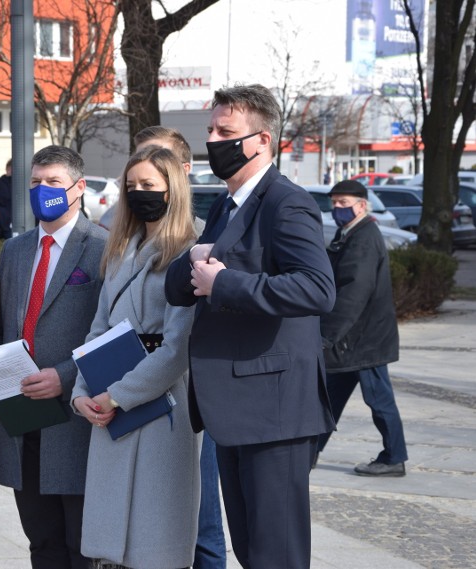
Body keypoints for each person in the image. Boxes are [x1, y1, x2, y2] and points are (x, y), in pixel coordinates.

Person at [165, 84, 336, 569]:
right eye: (212, 130)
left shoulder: (287, 202)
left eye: (227, 131)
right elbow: (187, 279)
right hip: (232, 412)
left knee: (274, 555)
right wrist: (191, 267)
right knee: (251, 552)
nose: (214, 140)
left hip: (274, 412)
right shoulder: (225, 204)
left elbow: (317, 289)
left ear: (262, 140)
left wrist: (226, 285)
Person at [0, 145, 108, 569]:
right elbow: (0, 327)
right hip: (21, 413)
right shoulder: (15, 250)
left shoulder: (103, 247)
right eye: (35, 182)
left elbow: (116, 336)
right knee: (41, 542)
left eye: (53, 182)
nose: (42, 190)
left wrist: (66, 376)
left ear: (79, 188)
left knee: (82, 545)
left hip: (76, 416)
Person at [72, 146, 201, 568]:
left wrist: (118, 395)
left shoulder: (189, 250)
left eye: (149, 185)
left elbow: (177, 347)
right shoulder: (120, 247)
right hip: (108, 402)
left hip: (159, 406)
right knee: (111, 548)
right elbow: (97, 329)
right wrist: (82, 392)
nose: (138, 192)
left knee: (154, 541)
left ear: (173, 188)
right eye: (131, 186)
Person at [133, 126, 226, 569]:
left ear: (182, 173)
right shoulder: (122, 241)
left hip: (186, 396)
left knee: (201, 519)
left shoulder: (204, 239)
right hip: (132, 393)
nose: (142, 183)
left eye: (158, 165)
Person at [316, 179, 408, 476]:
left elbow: (354, 292)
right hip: (351, 341)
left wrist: (326, 335)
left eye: (344, 203)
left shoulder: (364, 236)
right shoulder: (350, 232)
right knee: (328, 398)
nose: (337, 208)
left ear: (362, 205)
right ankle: (308, 452)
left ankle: (394, 457)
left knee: (379, 401)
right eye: (335, 203)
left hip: (365, 340)